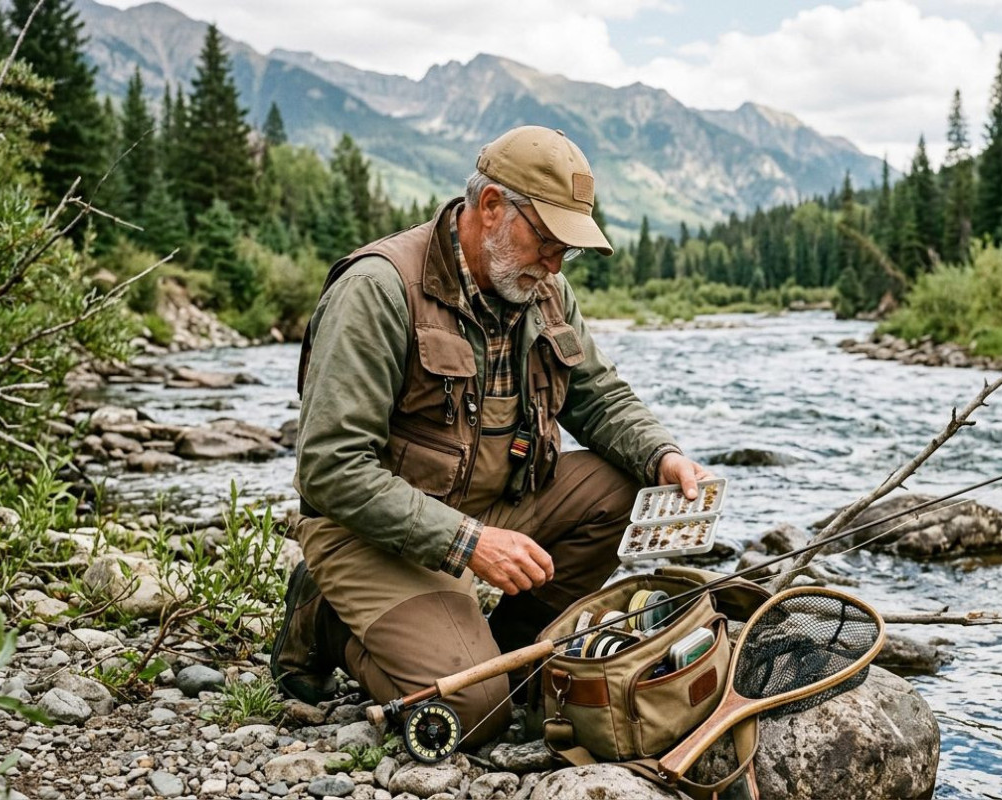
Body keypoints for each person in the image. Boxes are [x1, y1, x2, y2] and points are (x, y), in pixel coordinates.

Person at [273, 125, 711, 745]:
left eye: (568, 248)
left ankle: (507, 651)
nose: (557, 263)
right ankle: (326, 622)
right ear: (490, 208)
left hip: (484, 505)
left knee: (621, 484)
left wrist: (662, 454)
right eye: (548, 240)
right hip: (369, 531)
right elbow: (331, 468)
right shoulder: (377, 290)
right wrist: (469, 543)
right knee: (476, 711)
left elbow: (597, 395)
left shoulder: (544, 289)